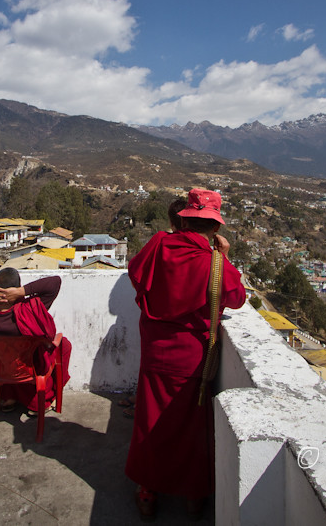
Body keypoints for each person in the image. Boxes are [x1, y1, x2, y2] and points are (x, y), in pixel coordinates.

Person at [125, 188, 246, 520]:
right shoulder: (214, 265)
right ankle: (194, 494)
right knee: (192, 428)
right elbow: (236, 299)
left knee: (149, 421)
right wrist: (224, 256)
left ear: (185, 219)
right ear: (215, 229)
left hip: (154, 350)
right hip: (192, 359)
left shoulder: (158, 245)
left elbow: (137, 275)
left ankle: (147, 490)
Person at [0, 268, 71, 414]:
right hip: (30, 369)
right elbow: (54, 282)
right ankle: (40, 403)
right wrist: (22, 292)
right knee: (63, 344)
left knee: (4, 355)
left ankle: (8, 398)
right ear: (14, 290)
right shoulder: (28, 312)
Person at [122, 196, 187, 419]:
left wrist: (144, 294)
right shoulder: (209, 257)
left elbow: (134, 270)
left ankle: (141, 404)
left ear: (171, 223)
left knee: (150, 375)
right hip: (188, 337)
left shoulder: (160, 241)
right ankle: (141, 402)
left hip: (154, 325)